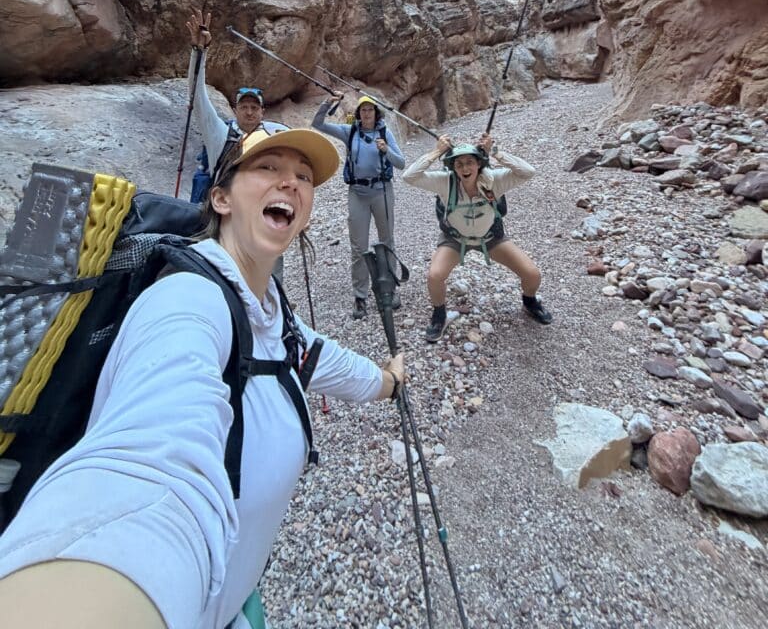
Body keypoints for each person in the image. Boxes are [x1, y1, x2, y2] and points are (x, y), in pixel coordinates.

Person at [0, 126, 405, 629]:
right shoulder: (188, 302)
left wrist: (387, 381)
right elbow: (149, 465)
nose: (292, 183)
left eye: (303, 176)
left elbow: (311, 355)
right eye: (268, 168)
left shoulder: (265, 309)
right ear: (220, 199)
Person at [403, 132, 552, 342]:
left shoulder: (494, 180)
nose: (465, 168)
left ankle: (529, 302)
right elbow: (408, 177)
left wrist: (496, 152)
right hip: (455, 240)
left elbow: (528, 172)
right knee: (434, 276)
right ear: (453, 167)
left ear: (479, 164)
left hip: (490, 238)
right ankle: (439, 314)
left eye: (470, 162)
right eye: (459, 164)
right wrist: (436, 151)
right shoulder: (445, 182)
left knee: (532, 275)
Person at [312, 93, 405, 319]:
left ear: (376, 113)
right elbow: (317, 124)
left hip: (382, 190)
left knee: (387, 241)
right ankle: (360, 296)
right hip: (357, 193)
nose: (366, 114)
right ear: (358, 113)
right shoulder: (350, 131)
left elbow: (400, 163)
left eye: (370, 110)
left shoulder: (385, 133)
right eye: (362, 110)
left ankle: (389, 290)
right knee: (358, 247)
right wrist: (328, 102)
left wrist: (386, 150)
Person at [185, 9, 286, 202]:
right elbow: (197, 95)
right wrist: (199, 52)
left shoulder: (273, 138)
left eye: (254, 108)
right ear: (235, 110)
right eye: (244, 107)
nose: (249, 112)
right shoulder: (220, 135)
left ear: (262, 112)